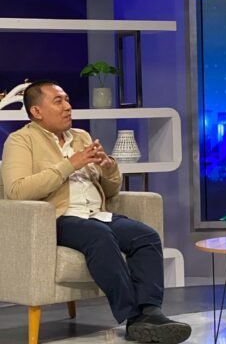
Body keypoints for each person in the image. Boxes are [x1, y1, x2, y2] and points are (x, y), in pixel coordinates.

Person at [1, 80, 192, 344]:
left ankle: (150, 312)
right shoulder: (21, 141)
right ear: (36, 111)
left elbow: (111, 190)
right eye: (58, 101)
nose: (68, 106)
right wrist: (70, 164)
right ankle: (134, 316)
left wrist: (108, 167)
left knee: (145, 236)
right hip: (58, 218)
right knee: (99, 236)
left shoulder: (81, 136)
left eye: (68, 100)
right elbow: (17, 191)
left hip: (96, 213)